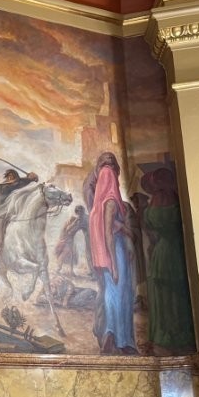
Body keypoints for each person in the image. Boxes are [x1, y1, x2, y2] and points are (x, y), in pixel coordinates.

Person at [84, 151, 137, 354]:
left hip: (107, 255)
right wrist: (114, 264)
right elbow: (107, 234)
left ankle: (112, 335)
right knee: (121, 295)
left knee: (112, 294)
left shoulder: (96, 207)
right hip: (115, 252)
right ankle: (120, 340)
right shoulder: (111, 201)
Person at [140, 166, 196, 353]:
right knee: (177, 297)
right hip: (176, 251)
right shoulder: (176, 202)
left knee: (162, 297)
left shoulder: (152, 206)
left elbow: (150, 230)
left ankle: (162, 336)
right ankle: (179, 336)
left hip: (161, 252)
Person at [0, 169, 40, 256]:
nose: (10, 178)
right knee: (0, 222)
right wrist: (14, 183)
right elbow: (10, 190)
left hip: (17, 208)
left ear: (16, 177)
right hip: (4, 209)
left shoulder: (19, 182)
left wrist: (32, 177)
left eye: (13, 176)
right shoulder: (4, 186)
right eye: (9, 177)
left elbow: (30, 180)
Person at [54, 204, 89, 276]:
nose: (81, 214)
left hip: (70, 238)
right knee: (64, 253)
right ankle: (58, 268)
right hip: (65, 238)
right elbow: (67, 229)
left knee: (71, 254)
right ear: (77, 212)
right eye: (79, 212)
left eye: (82, 212)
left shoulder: (82, 219)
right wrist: (75, 221)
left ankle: (71, 271)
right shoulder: (73, 219)